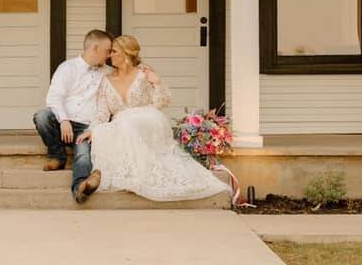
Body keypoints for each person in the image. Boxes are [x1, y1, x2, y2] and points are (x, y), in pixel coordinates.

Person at [76, 35, 232, 202]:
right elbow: (102, 112)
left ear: (126, 54)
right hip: (123, 122)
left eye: (114, 51)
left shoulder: (143, 74)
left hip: (149, 119)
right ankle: (107, 175)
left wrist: (157, 82)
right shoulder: (106, 81)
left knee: (128, 125)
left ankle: (130, 175)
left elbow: (161, 102)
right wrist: (92, 130)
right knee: (104, 131)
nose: (109, 55)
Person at [32, 29, 112, 203]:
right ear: (95, 48)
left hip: (86, 126)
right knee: (42, 116)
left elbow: (125, 79)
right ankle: (57, 156)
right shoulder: (67, 68)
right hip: (63, 122)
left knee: (83, 156)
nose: (109, 55)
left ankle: (80, 188)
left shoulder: (108, 73)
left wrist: (141, 68)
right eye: (107, 51)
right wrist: (64, 120)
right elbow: (54, 97)